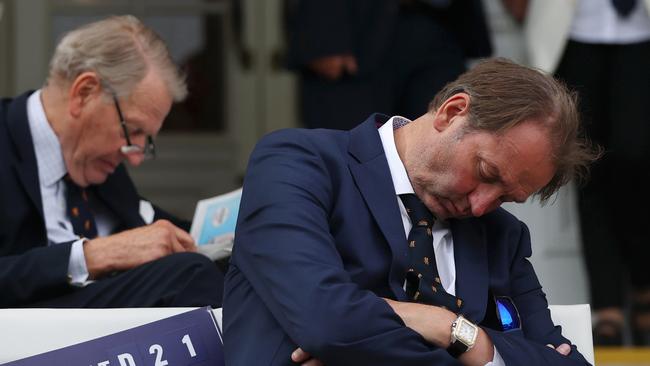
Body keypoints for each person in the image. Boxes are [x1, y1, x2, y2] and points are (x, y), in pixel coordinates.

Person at [223, 58, 597, 365]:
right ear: (453, 112)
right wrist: (455, 335)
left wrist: (456, 330)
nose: (481, 205)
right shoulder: (300, 164)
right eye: (485, 173)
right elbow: (327, 321)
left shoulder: (502, 236)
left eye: (505, 198)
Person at [0, 15, 224, 308]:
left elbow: (160, 232)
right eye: (134, 131)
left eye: (147, 139)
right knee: (189, 276)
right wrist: (93, 256)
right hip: (29, 340)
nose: (136, 156)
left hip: (121, 341)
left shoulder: (96, 161)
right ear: (84, 93)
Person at [511, 0, 650, 346]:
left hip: (642, 35)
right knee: (587, 169)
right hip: (571, 33)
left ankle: (643, 284)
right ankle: (607, 306)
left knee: (637, 161)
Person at [284, 0, 492, 130]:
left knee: (443, 138)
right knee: (353, 151)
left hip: (441, 25)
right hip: (357, 32)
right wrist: (322, 33)